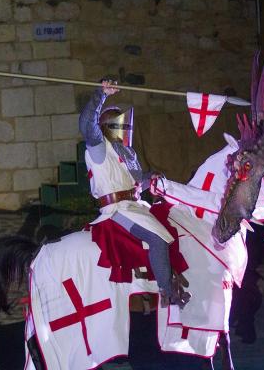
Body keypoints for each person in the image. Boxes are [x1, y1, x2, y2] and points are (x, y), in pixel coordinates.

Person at [79, 80, 188, 307]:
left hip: (134, 206)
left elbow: (137, 183)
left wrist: (154, 180)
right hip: (116, 210)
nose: (123, 129)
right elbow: (86, 123)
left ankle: (166, 274)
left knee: (171, 225)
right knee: (157, 240)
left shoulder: (126, 155)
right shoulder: (99, 149)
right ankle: (167, 291)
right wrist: (101, 94)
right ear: (106, 126)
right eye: (117, 124)